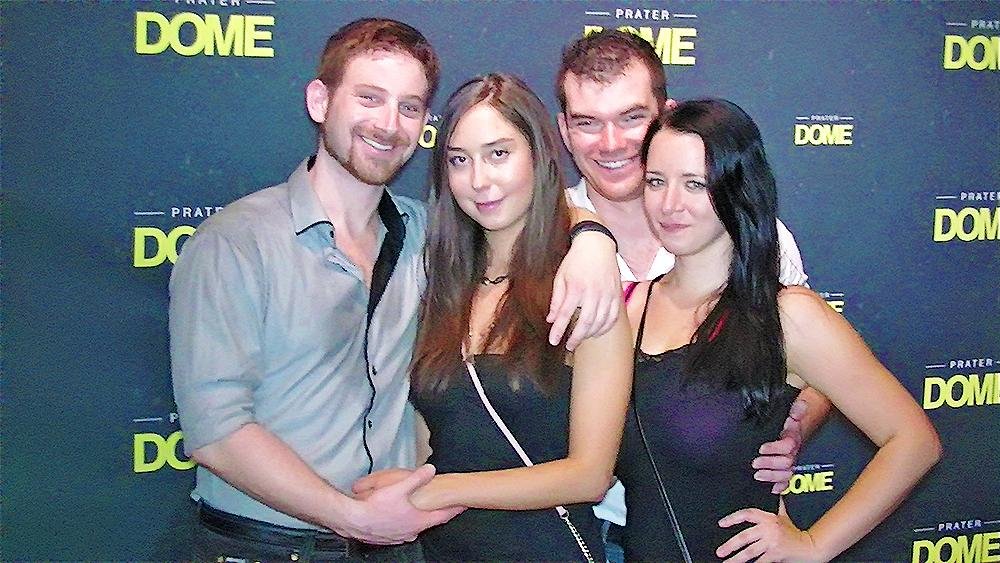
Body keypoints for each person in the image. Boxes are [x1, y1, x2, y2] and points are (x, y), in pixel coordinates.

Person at [169, 19, 621, 561]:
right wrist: (352, 516)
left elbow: (530, 202)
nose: (388, 124)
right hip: (268, 544)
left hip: (405, 545)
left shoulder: (426, 241)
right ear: (319, 101)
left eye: (409, 107)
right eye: (369, 98)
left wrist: (593, 236)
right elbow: (216, 430)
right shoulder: (237, 242)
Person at [616, 98, 941, 562]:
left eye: (695, 184)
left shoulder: (786, 316)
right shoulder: (630, 309)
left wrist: (813, 545)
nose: (670, 204)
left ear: (738, 187)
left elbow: (913, 441)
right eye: (655, 181)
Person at [553, 29, 832, 558]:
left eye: (631, 118)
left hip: (715, 535)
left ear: (667, 115)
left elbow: (813, 367)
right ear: (564, 130)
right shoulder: (538, 241)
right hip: (579, 534)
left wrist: (797, 425)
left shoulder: (753, 240)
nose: (611, 144)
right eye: (587, 122)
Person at [352, 73, 633, 562]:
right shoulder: (441, 282)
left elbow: (590, 476)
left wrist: (438, 489)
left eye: (499, 154)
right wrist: (413, 489)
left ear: (539, 157)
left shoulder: (584, 287)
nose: (479, 180)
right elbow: (432, 441)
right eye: (459, 160)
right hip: (442, 549)